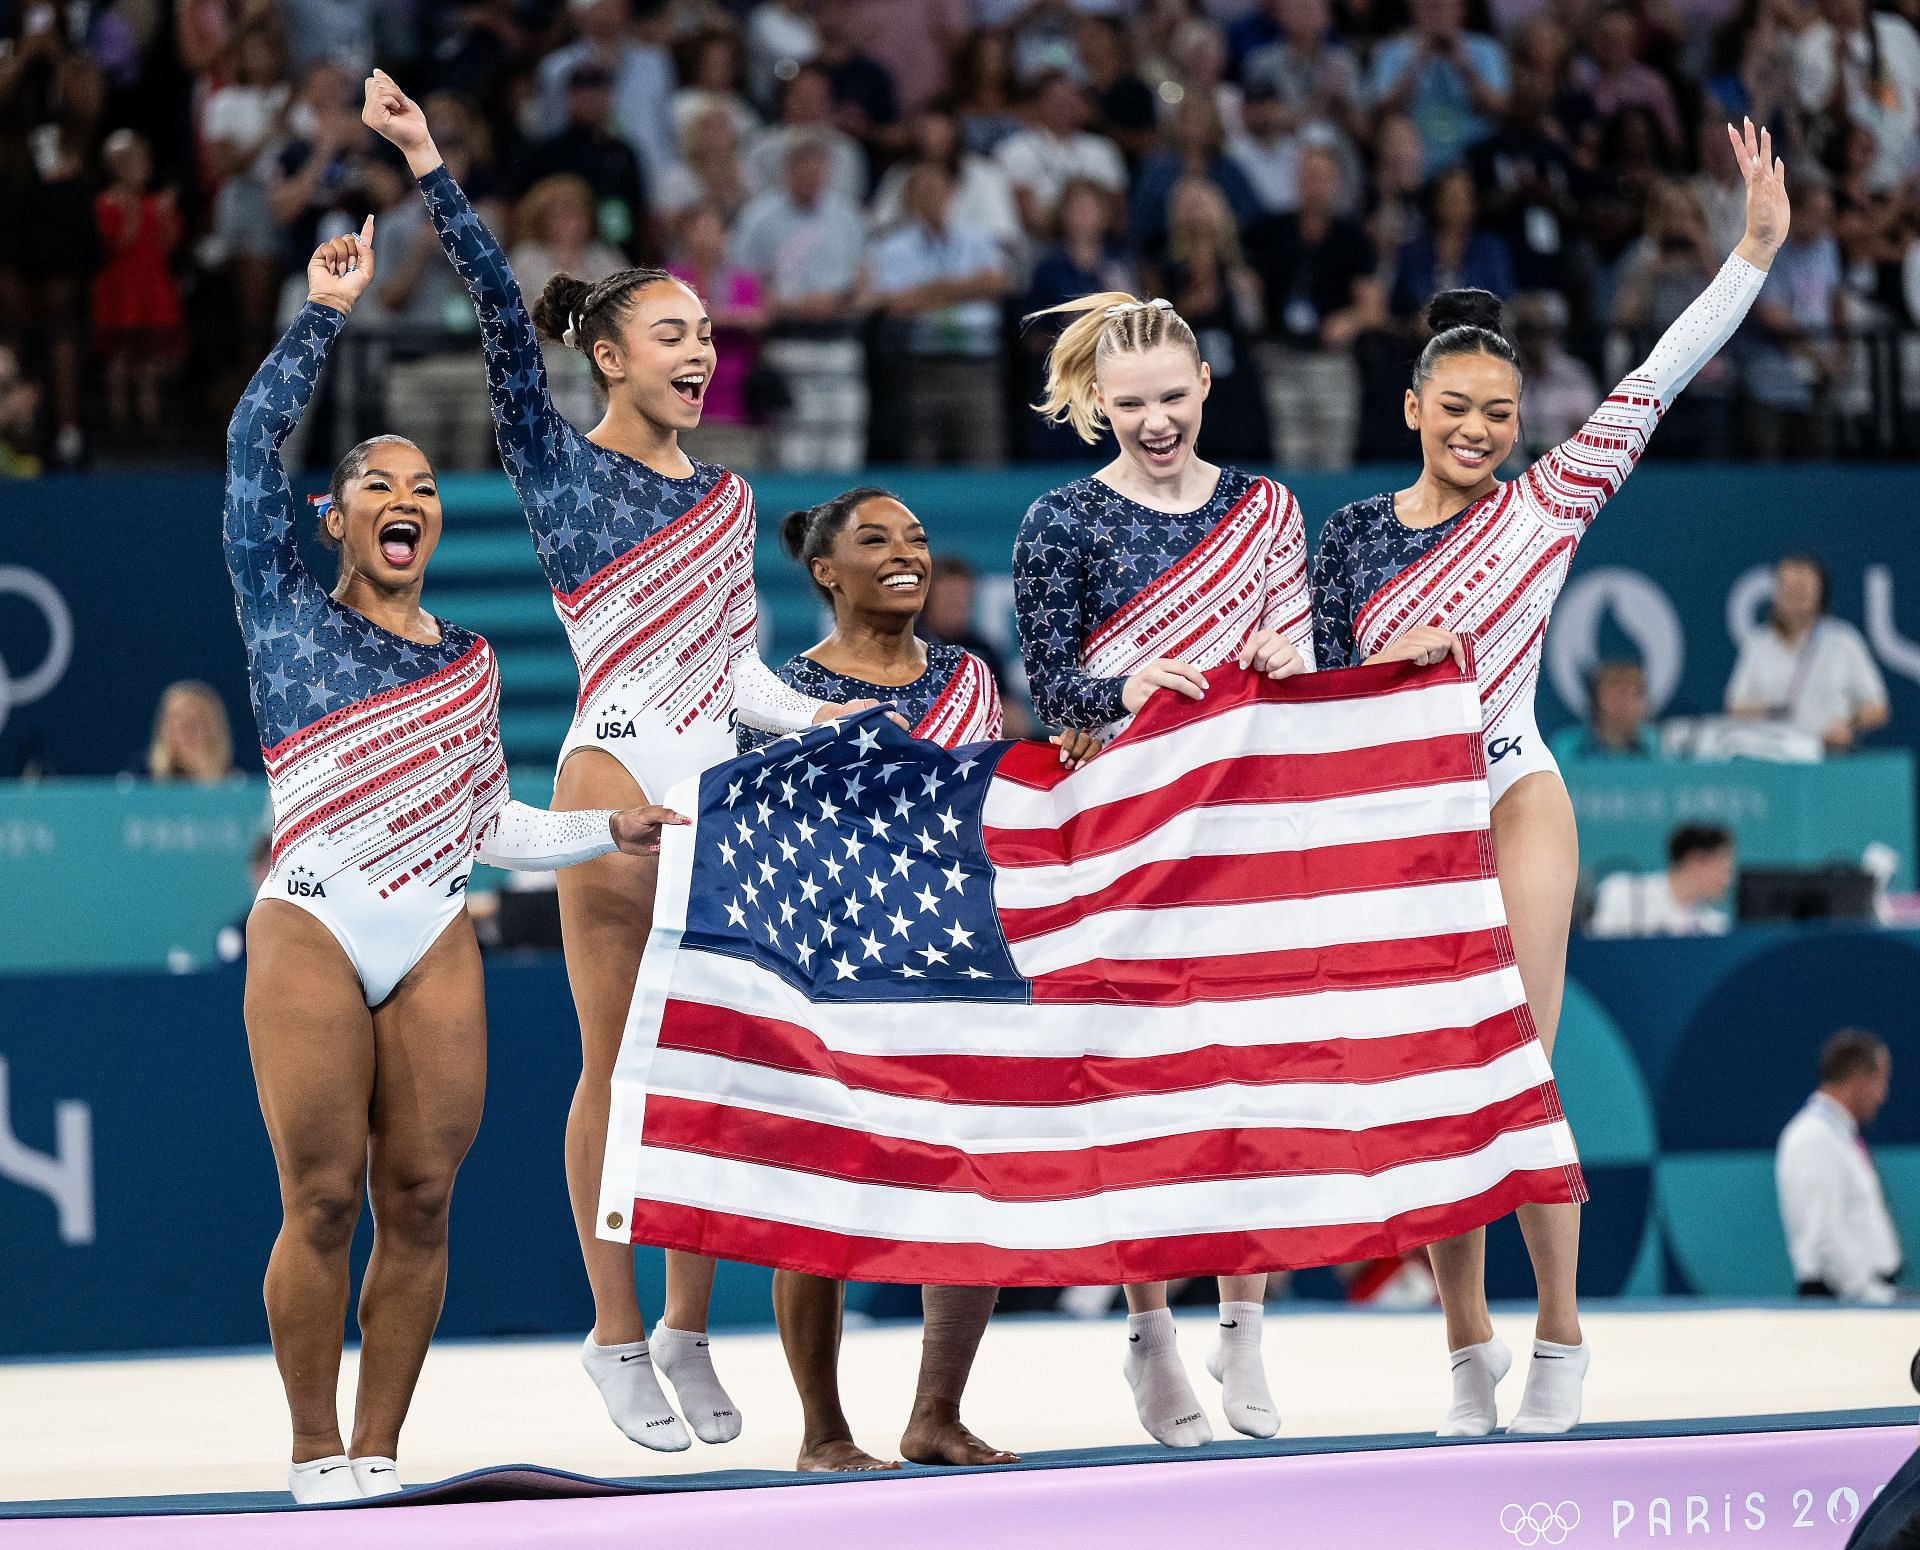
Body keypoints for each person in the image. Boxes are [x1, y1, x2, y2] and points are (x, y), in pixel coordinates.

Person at [363, 69, 865, 1455]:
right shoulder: (558, 463)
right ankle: (613, 1330)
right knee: (619, 1059)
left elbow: (739, 668)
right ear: (608, 356)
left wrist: (816, 720)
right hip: (615, 783)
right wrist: (430, 163)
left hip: (723, 786)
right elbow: (490, 314)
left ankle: (692, 1323)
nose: (699, 352)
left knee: (713, 1064)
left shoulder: (732, 493)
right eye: (669, 334)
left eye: (707, 333)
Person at [1309, 118, 1790, 1438]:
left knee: (1517, 1065)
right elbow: (1308, 696)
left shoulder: (1550, 503)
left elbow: (1658, 374)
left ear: (1524, 423)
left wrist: (1750, 252)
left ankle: (1562, 1332)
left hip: (1515, 791)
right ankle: (1467, 1343)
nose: (1476, 430)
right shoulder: (1347, 540)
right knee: (1444, 1085)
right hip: (1412, 819)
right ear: (1410, 408)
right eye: (1453, 409)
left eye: (1499, 415)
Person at [227, 218, 679, 1502]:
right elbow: (246, 450)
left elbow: (487, 822)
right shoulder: (284, 614)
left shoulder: (470, 659)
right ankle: (313, 1449)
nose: (406, 500)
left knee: (419, 1199)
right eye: (379, 483)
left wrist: (608, 828)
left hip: (432, 924)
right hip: (313, 919)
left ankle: (378, 1450)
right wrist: (321, 316)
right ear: (334, 516)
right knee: (322, 1198)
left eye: (423, 487)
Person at [1011, 290, 1316, 1448]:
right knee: (1142, 1089)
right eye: (1128, 404)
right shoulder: (1061, 522)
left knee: (1248, 1086)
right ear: (1095, 401)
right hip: (1124, 827)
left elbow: (1296, 653)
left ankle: (1244, 1325)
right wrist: (1124, 686)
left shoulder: (1267, 507)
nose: (1153, 421)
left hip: (1243, 823)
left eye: (1171, 398)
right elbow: (1051, 691)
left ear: (1204, 386)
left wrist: (1288, 658)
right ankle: (1150, 1326)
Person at [742, 488, 1057, 1472]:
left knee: (970, 1183)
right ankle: (823, 1430)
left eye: (917, 537)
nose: (906, 552)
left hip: (957, 957)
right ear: (825, 571)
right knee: (827, 1198)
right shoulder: (784, 691)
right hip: (834, 965)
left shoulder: (969, 673)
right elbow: (766, 842)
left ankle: (935, 1412)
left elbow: (996, 803)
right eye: (875, 539)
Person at [870, 161, 1013, 466]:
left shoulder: (978, 238)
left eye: (937, 188)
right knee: (922, 461)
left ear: (951, 193)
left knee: (984, 460)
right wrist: (969, 287)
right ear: (912, 197)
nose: (931, 196)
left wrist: (927, 292)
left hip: (977, 365)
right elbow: (897, 305)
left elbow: (999, 283)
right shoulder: (894, 246)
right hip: (922, 366)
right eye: (923, 190)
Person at [1777, 1029, 1901, 1301]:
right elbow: (1823, 1236)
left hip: (1861, 1296)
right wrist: (1870, 1297)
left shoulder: (1838, 1136)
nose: (1882, 1095)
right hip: (1841, 1301)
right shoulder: (1813, 1138)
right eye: (1881, 1082)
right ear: (1858, 1080)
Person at [1727, 552, 1889, 752]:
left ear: (1820, 592)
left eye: (1803, 588)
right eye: (1788, 588)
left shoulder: (1843, 641)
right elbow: (1735, 706)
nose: (1795, 595)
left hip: (1830, 758)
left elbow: (1877, 708)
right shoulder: (1758, 644)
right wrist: (1776, 711)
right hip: (1772, 759)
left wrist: (1849, 724)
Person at [1587, 824, 1735, 937]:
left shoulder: (1715, 927)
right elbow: (1597, 952)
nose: (1728, 880)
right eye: (1725, 870)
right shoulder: (1624, 892)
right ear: (1695, 860)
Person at [1549, 659, 1657, 760]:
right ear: (1595, 700)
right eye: (1614, 694)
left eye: (1631, 694)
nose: (1622, 702)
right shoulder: (1566, 747)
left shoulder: (1661, 746)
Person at [144, 680, 234, 784]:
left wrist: (207, 776)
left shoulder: (238, 784)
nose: (187, 730)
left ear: (213, 728)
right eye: (178, 719)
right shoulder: (136, 779)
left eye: (196, 719)